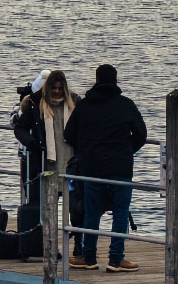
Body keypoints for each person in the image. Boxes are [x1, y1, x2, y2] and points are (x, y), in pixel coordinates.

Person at [63, 63, 148, 271]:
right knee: (120, 212)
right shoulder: (125, 105)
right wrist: (127, 150)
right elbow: (141, 135)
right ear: (115, 81)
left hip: (92, 167)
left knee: (92, 213)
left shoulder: (84, 106)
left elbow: (68, 135)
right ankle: (116, 259)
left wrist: (86, 150)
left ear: (97, 80)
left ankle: (89, 258)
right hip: (120, 167)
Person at [13, 69, 84, 260]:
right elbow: (19, 128)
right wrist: (32, 143)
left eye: (61, 88)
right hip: (46, 166)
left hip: (71, 165)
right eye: (54, 88)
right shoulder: (35, 104)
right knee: (47, 210)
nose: (57, 92)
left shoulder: (76, 103)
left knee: (76, 209)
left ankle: (79, 246)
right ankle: (49, 247)